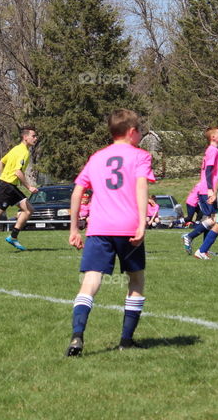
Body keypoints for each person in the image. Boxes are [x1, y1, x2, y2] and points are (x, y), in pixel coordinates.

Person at [66, 109, 155, 356]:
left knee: (90, 281)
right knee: (136, 280)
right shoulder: (141, 156)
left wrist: (74, 228)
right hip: (128, 228)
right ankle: (126, 341)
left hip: (99, 228)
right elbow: (141, 188)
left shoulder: (96, 158)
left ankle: (77, 336)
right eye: (140, 131)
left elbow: (77, 191)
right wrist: (142, 224)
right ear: (132, 132)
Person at [181, 127, 218, 253]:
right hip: (207, 189)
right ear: (213, 137)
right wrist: (210, 189)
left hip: (209, 188)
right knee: (214, 219)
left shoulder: (213, 150)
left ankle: (204, 249)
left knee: (209, 219)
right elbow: (208, 170)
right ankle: (190, 236)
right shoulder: (212, 150)